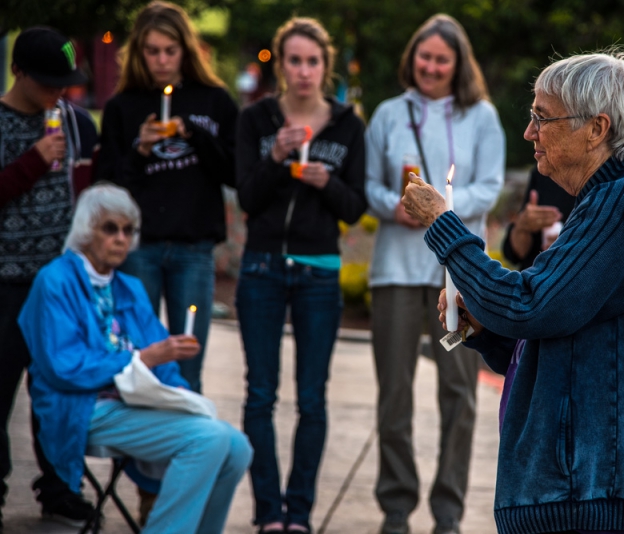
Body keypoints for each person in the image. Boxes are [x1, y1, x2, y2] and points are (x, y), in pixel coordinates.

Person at [402, 49, 624, 534]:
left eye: (542, 117)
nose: (529, 132)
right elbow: (559, 332)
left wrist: (442, 224)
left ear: (596, 129)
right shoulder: (605, 203)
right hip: (591, 492)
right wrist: (485, 330)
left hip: (603, 495)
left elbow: (529, 305)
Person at [17, 183, 252, 534]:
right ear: (85, 230)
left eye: (128, 230)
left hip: (133, 402)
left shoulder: (128, 287)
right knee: (208, 440)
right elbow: (63, 368)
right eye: (110, 228)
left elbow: (164, 365)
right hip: (82, 407)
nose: (121, 239)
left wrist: (184, 397)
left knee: (237, 447)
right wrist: (141, 358)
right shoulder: (55, 281)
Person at [365, 14, 505, 534]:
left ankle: (448, 512)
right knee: (394, 394)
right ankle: (396, 507)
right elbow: (370, 188)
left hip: (459, 271)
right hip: (396, 270)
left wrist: (436, 208)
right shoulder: (387, 113)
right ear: (412, 58)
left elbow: (489, 188)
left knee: (460, 394)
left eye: (442, 58)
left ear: (457, 63)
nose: (431, 66)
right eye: (424, 56)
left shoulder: (482, 116)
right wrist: (396, 205)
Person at [235, 17, 367, 534]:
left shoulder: (347, 125)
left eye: (313, 61)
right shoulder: (257, 120)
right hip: (263, 266)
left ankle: (299, 515)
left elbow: (354, 208)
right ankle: (268, 513)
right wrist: (276, 156)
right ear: (281, 64)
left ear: (324, 66)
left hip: (319, 271)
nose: (304, 70)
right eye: (294, 60)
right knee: (260, 395)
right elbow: (247, 197)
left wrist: (326, 183)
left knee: (312, 398)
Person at [95, 0, 238, 394]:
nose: (161, 60)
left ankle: (186, 452)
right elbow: (105, 187)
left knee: (187, 366)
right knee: (137, 360)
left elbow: (236, 172)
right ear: (139, 53)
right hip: (139, 247)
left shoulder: (215, 101)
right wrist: (139, 150)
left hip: (194, 247)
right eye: (152, 51)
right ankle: (132, 456)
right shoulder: (123, 107)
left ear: (186, 50)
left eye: (170, 51)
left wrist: (193, 132)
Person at [0, 26, 98, 529]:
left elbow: (92, 192)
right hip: (6, 284)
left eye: (66, 82)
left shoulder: (77, 124)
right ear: (17, 71)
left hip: (58, 286)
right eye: (47, 83)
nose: (58, 92)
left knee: (58, 394)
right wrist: (32, 162)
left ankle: (60, 487)